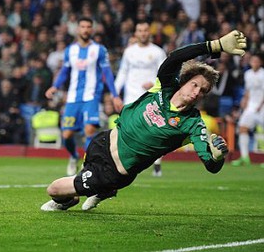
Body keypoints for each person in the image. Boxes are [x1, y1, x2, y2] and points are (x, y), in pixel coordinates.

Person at [40, 30, 246, 212]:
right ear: (184, 82)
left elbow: (210, 164)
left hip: (114, 171)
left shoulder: (192, 123)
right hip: (102, 141)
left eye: (203, 91)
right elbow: (175, 58)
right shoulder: (163, 87)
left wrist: (217, 159)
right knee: (81, 177)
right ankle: (103, 191)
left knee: (54, 189)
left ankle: (74, 199)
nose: (196, 92)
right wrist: (215, 46)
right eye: (194, 85)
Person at [45, 17, 124, 176]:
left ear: (92, 30)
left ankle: (86, 165)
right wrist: (55, 86)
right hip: (73, 98)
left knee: (89, 130)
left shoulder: (99, 50)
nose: (86, 29)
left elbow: (107, 73)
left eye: (89, 26)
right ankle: (74, 156)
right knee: (66, 134)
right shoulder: (70, 50)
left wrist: (115, 95)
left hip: (91, 97)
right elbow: (64, 72)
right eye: (83, 26)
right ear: (77, 29)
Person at [114, 22, 167, 176]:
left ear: (149, 33)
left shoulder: (157, 52)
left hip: (150, 95)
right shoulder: (129, 51)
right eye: (140, 31)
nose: (143, 33)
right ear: (135, 33)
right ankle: (126, 162)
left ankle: (156, 162)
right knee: (127, 128)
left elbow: (165, 73)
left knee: (152, 129)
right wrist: (115, 93)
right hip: (131, 95)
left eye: (145, 31)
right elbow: (123, 72)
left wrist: (154, 83)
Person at [232, 54, 264, 166]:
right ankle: (245, 157)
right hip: (250, 106)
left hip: (262, 107)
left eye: (256, 61)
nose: (254, 63)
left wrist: (260, 105)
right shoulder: (248, 74)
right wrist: (244, 101)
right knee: (242, 128)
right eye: (252, 61)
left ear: (260, 62)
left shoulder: (263, 74)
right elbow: (248, 90)